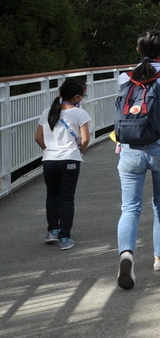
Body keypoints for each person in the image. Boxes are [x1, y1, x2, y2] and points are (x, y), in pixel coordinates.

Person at [116, 29, 160, 290]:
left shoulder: (124, 77)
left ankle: (126, 254)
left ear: (138, 51)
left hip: (129, 149)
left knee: (130, 208)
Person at [35, 78, 91, 251]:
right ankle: (65, 238)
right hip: (70, 159)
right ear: (75, 97)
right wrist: (80, 150)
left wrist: (50, 149)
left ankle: (52, 230)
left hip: (49, 159)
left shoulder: (47, 112)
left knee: (52, 194)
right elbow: (86, 139)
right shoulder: (80, 114)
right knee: (67, 198)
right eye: (83, 95)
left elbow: (38, 138)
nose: (83, 98)